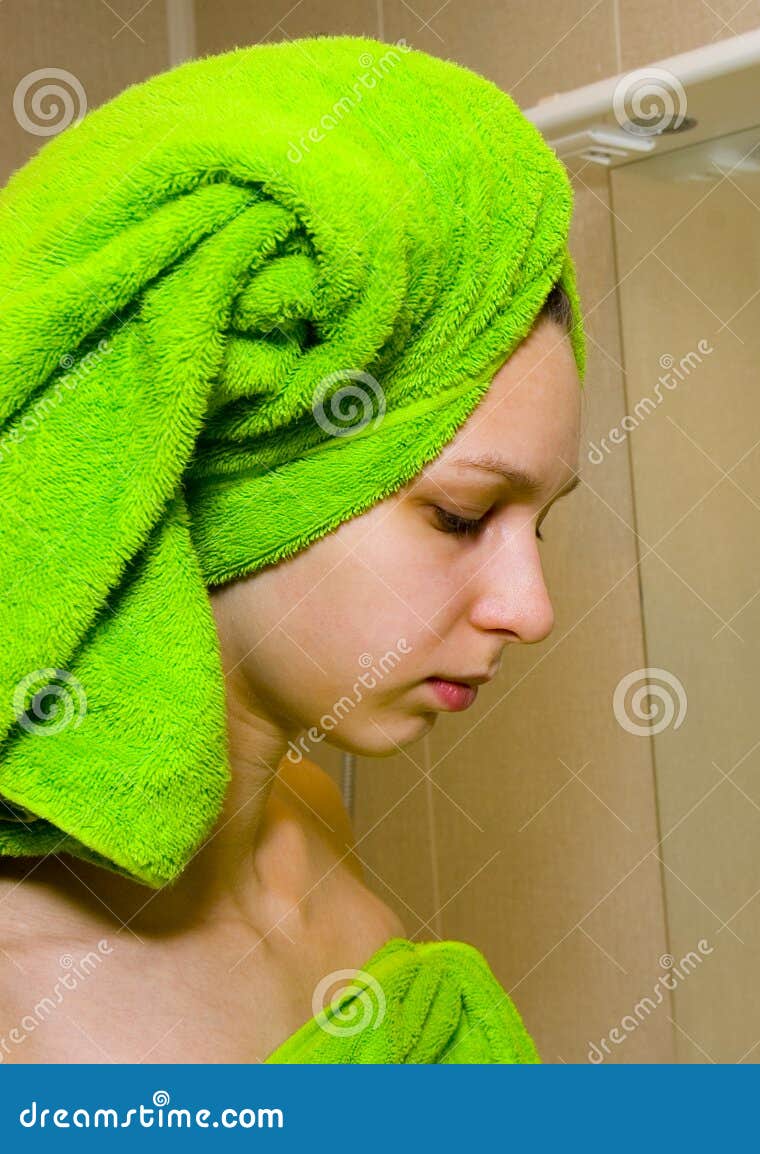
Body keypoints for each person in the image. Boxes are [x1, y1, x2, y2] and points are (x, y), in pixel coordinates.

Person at [0, 36, 585, 1063]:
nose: (530, 611)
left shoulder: (310, 813)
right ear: (223, 478)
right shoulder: (26, 1001)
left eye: (537, 524)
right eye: (460, 516)